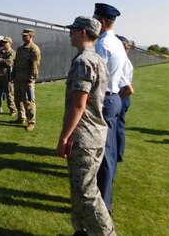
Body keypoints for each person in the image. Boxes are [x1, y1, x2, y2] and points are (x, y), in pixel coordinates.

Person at [57, 16, 116, 236]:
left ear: (83, 32)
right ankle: (82, 231)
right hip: (93, 133)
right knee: (78, 188)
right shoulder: (97, 59)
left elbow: (79, 105)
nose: (70, 34)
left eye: (72, 30)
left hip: (84, 135)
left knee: (86, 191)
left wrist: (64, 138)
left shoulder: (84, 61)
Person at [93, 3, 126, 212]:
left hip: (104, 98)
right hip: (114, 98)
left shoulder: (102, 45)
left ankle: (102, 204)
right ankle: (106, 197)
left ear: (102, 21)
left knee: (102, 153)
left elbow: (97, 77)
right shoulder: (117, 43)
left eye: (95, 18)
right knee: (110, 150)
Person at [13, 28, 41, 131]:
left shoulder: (34, 49)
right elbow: (15, 63)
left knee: (29, 101)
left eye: (25, 35)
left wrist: (31, 79)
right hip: (18, 78)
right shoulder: (20, 49)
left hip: (27, 79)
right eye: (23, 35)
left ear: (31, 36)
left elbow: (35, 66)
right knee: (18, 99)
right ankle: (21, 117)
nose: (23, 37)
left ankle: (31, 121)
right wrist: (13, 75)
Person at [116, 35, 134, 163]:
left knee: (117, 127)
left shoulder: (122, 62)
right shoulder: (125, 60)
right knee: (118, 126)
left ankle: (116, 155)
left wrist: (116, 100)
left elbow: (128, 89)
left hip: (121, 95)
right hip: (122, 96)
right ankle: (117, 154)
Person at [0, 36, 16, 115]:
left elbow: (9, 62)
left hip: (7, 76)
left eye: (5, 42)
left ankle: (13, 110)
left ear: (9, 43)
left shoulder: (12, 52)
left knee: (9, 94)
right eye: (3, 42)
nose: (3, 43)